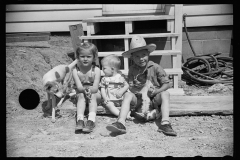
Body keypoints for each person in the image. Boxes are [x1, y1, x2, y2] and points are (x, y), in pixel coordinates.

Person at [106, 35, 177, 136]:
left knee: (165, 94)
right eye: (137, 56)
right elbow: (131, 86)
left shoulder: (156, 67)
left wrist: (156, 91)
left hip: (154, 98)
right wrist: (138, 91)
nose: (141, 59)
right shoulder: (132, 69)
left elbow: (167, 84)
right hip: (139, 100)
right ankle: (121, 122)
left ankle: (165, 123)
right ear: (132, 58)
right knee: (127, 95)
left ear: (148, 54)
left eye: (143, 55)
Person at [72, 42, 102, 133]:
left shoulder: (96, 70)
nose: (85, 59)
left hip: (95, 94)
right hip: (81, 93)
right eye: (82, 56)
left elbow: (96, 88)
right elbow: (79, 87)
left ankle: (91, 120)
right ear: (78, 57)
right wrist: (85, 90)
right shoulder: (75, 70)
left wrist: (90, 90)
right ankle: (80, 120)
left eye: (88, 56)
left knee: (92, 95)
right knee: (81, 95)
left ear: (94, 57)